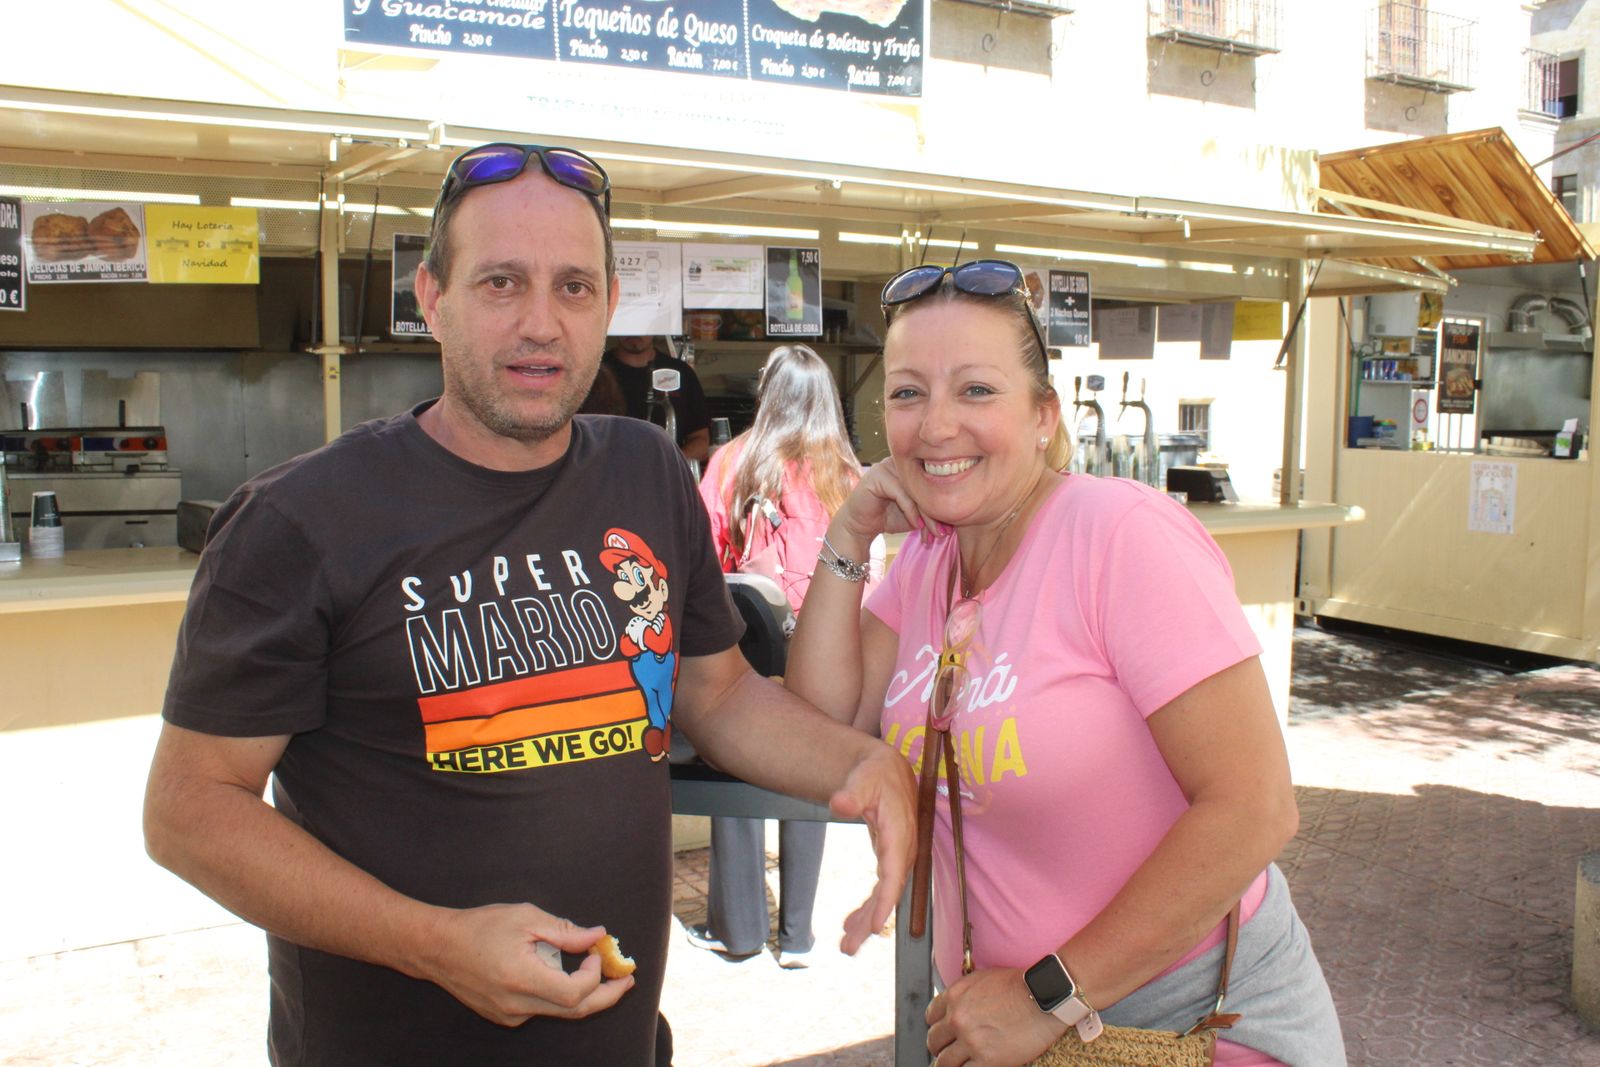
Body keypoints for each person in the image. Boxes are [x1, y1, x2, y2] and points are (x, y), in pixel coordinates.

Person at [142, 142, 916, 1067]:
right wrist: (434, 945)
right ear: (431, 298)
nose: (542, 323)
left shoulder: (644, 473)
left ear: (608, 306)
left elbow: (718, 694)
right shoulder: (299, 521)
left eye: (575, 288)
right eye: (502, 283)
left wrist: (862, 764)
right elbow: (188, 809)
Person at [785, 260, 1344, 1066]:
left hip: (1182, 1017)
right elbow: (822, 720)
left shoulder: (1120, 535)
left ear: (1044, 414)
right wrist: (847, 535)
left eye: (975, 390)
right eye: (908, 393)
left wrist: (1048, 993)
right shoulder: (927, 563)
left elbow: (1256, 809)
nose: (936, 424)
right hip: (1007, 1020)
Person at [690, 343, 882, 969]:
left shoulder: (735, 462)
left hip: (751, 647)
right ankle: (796, 938)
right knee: (810, 770)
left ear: (767, 395)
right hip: (830, 651)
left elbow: (703, 559)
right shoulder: (849, 476)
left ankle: (740, 932)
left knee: (737, 768)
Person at [604, 335, 711, 463]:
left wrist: (668, 463)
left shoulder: (680, 372)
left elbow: (701, 441)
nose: (635, 331)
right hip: (609, 473)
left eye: (643, 322)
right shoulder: (598, 372)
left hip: (665, 476)